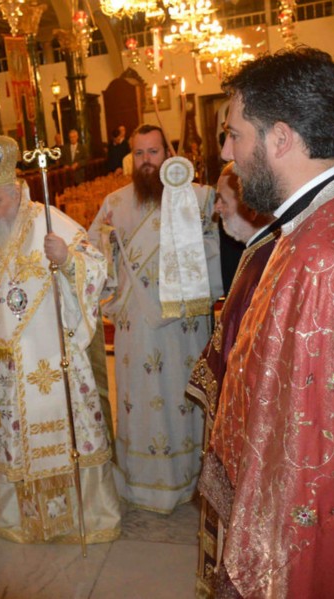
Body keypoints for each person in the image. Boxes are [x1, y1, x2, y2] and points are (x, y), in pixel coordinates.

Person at [207, 47, 334, 597]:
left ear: (280, 138)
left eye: (235, 135)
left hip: (317, 541)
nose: (226, 153)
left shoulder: (324, 261)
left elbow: (317, 459)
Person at [0, 135, 121, 544]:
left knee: (63, 435)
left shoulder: (49, 222)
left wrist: (68, 261)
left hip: (49, 359)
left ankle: (79, 518)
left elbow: (98, 268)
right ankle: (17, 518)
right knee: (10, 442)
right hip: (0, 373)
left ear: (16, 192)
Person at [88, 124, 222, 514]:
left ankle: (191, 477)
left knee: (183, 394)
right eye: (139, 153)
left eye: (154, 152)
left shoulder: (199, 198)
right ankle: (142, 484)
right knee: (141, 399)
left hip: (183, 326)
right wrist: (108, 250)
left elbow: (219, 248)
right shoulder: (114, 203)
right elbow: (93, 257)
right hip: (137, 324)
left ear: (168, 153)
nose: (147, 161)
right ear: (131, 158)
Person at [185, 162, 274, 598]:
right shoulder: (256, 252)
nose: (216, 209)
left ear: (249, 202)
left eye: (222, 199)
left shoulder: (265, 256)